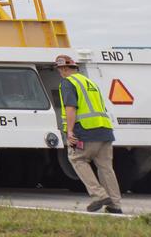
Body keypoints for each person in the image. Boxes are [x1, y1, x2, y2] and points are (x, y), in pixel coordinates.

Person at [56, 54, 122, 214]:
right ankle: (115, 204)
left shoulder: (68, 83)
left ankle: (99, 195)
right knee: (106, 168)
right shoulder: (90, 82)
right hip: (104, 130)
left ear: (65, 68)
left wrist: (70, 131)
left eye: (59, 69)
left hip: (84, 130)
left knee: (77, 159)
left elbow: (71, 107)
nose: (59, 72)